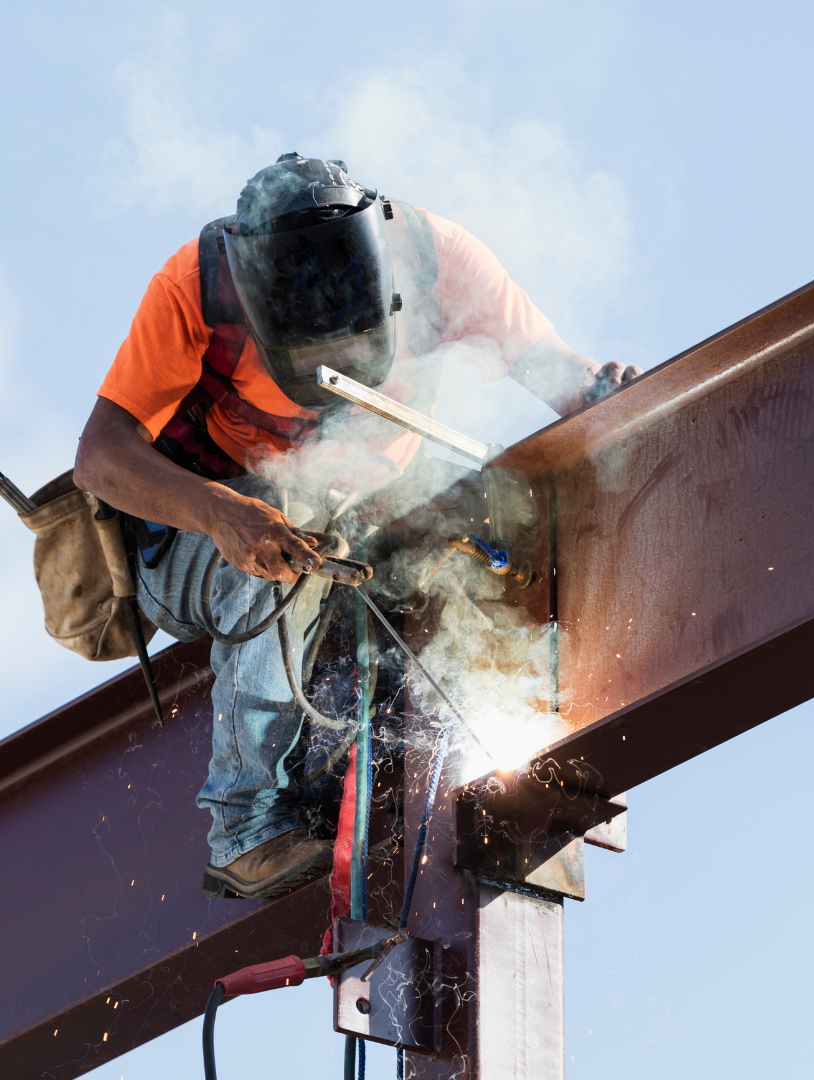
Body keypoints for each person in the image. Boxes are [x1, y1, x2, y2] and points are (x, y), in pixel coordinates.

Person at [73, 153, 641, 900]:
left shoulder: (440, 264)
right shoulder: (197, 289)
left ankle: (464, 746)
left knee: (481, 530)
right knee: (285, 548)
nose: (335, 369)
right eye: (313, 359)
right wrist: (223, 514)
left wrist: (617, 400)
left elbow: (560, 378)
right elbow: (99, 458)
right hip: (195, 543)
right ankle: (244, 826)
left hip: (355, 526)